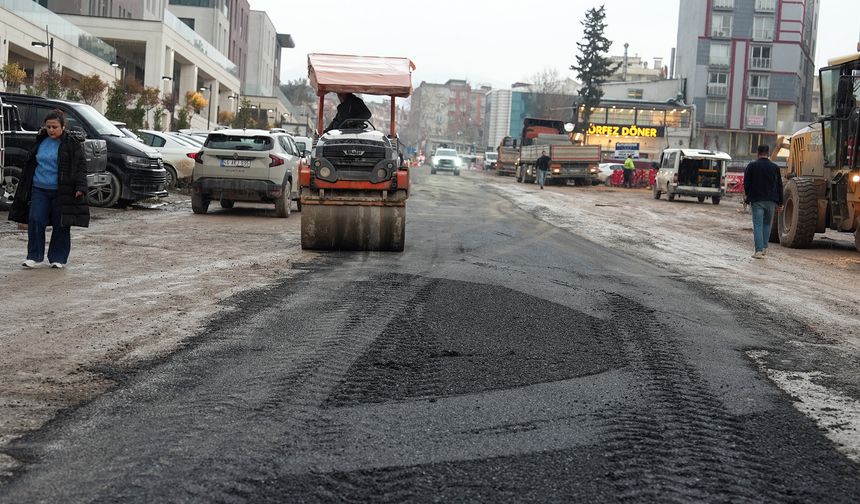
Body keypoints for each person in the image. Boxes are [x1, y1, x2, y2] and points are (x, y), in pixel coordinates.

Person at [8, 109, 89, 269]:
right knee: (35, 219)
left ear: (63, 127)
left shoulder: (72, 144)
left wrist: (80, 187)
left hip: (62, 191)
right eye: (48, 127)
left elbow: (80, 166)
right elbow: (31, 163)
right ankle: (34, 256)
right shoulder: (40, 141)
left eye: (55, 127)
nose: (51, 130)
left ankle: (58, 258)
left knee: (61, 224)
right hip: (39, 189)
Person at [743, 144, 783, 259]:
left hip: (757, 200)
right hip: (771, 200)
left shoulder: (752, 166)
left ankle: (759, 251)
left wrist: (747, 198)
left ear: (758, 153)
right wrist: (780, 203)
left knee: (758, 225)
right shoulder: (775, 167)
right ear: (768, 153)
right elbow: (779, 186)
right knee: (767, 224)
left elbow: (747, 184)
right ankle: (764, 248)